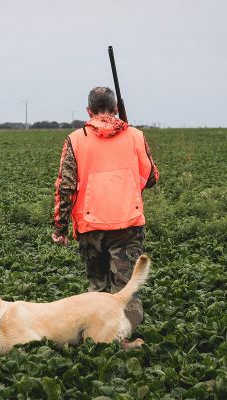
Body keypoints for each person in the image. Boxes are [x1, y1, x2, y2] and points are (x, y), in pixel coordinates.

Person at [52, 86, 159, 330]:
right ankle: (126, 337)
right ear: (117, 108)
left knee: (97, 290)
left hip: (90, 227)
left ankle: (98, 342)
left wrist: (60, 227)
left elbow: (65, 187)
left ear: (89, 111)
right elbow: (152, 177)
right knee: (126, 289)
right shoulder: (135, 135)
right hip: (128, 224)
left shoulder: (75, 139)